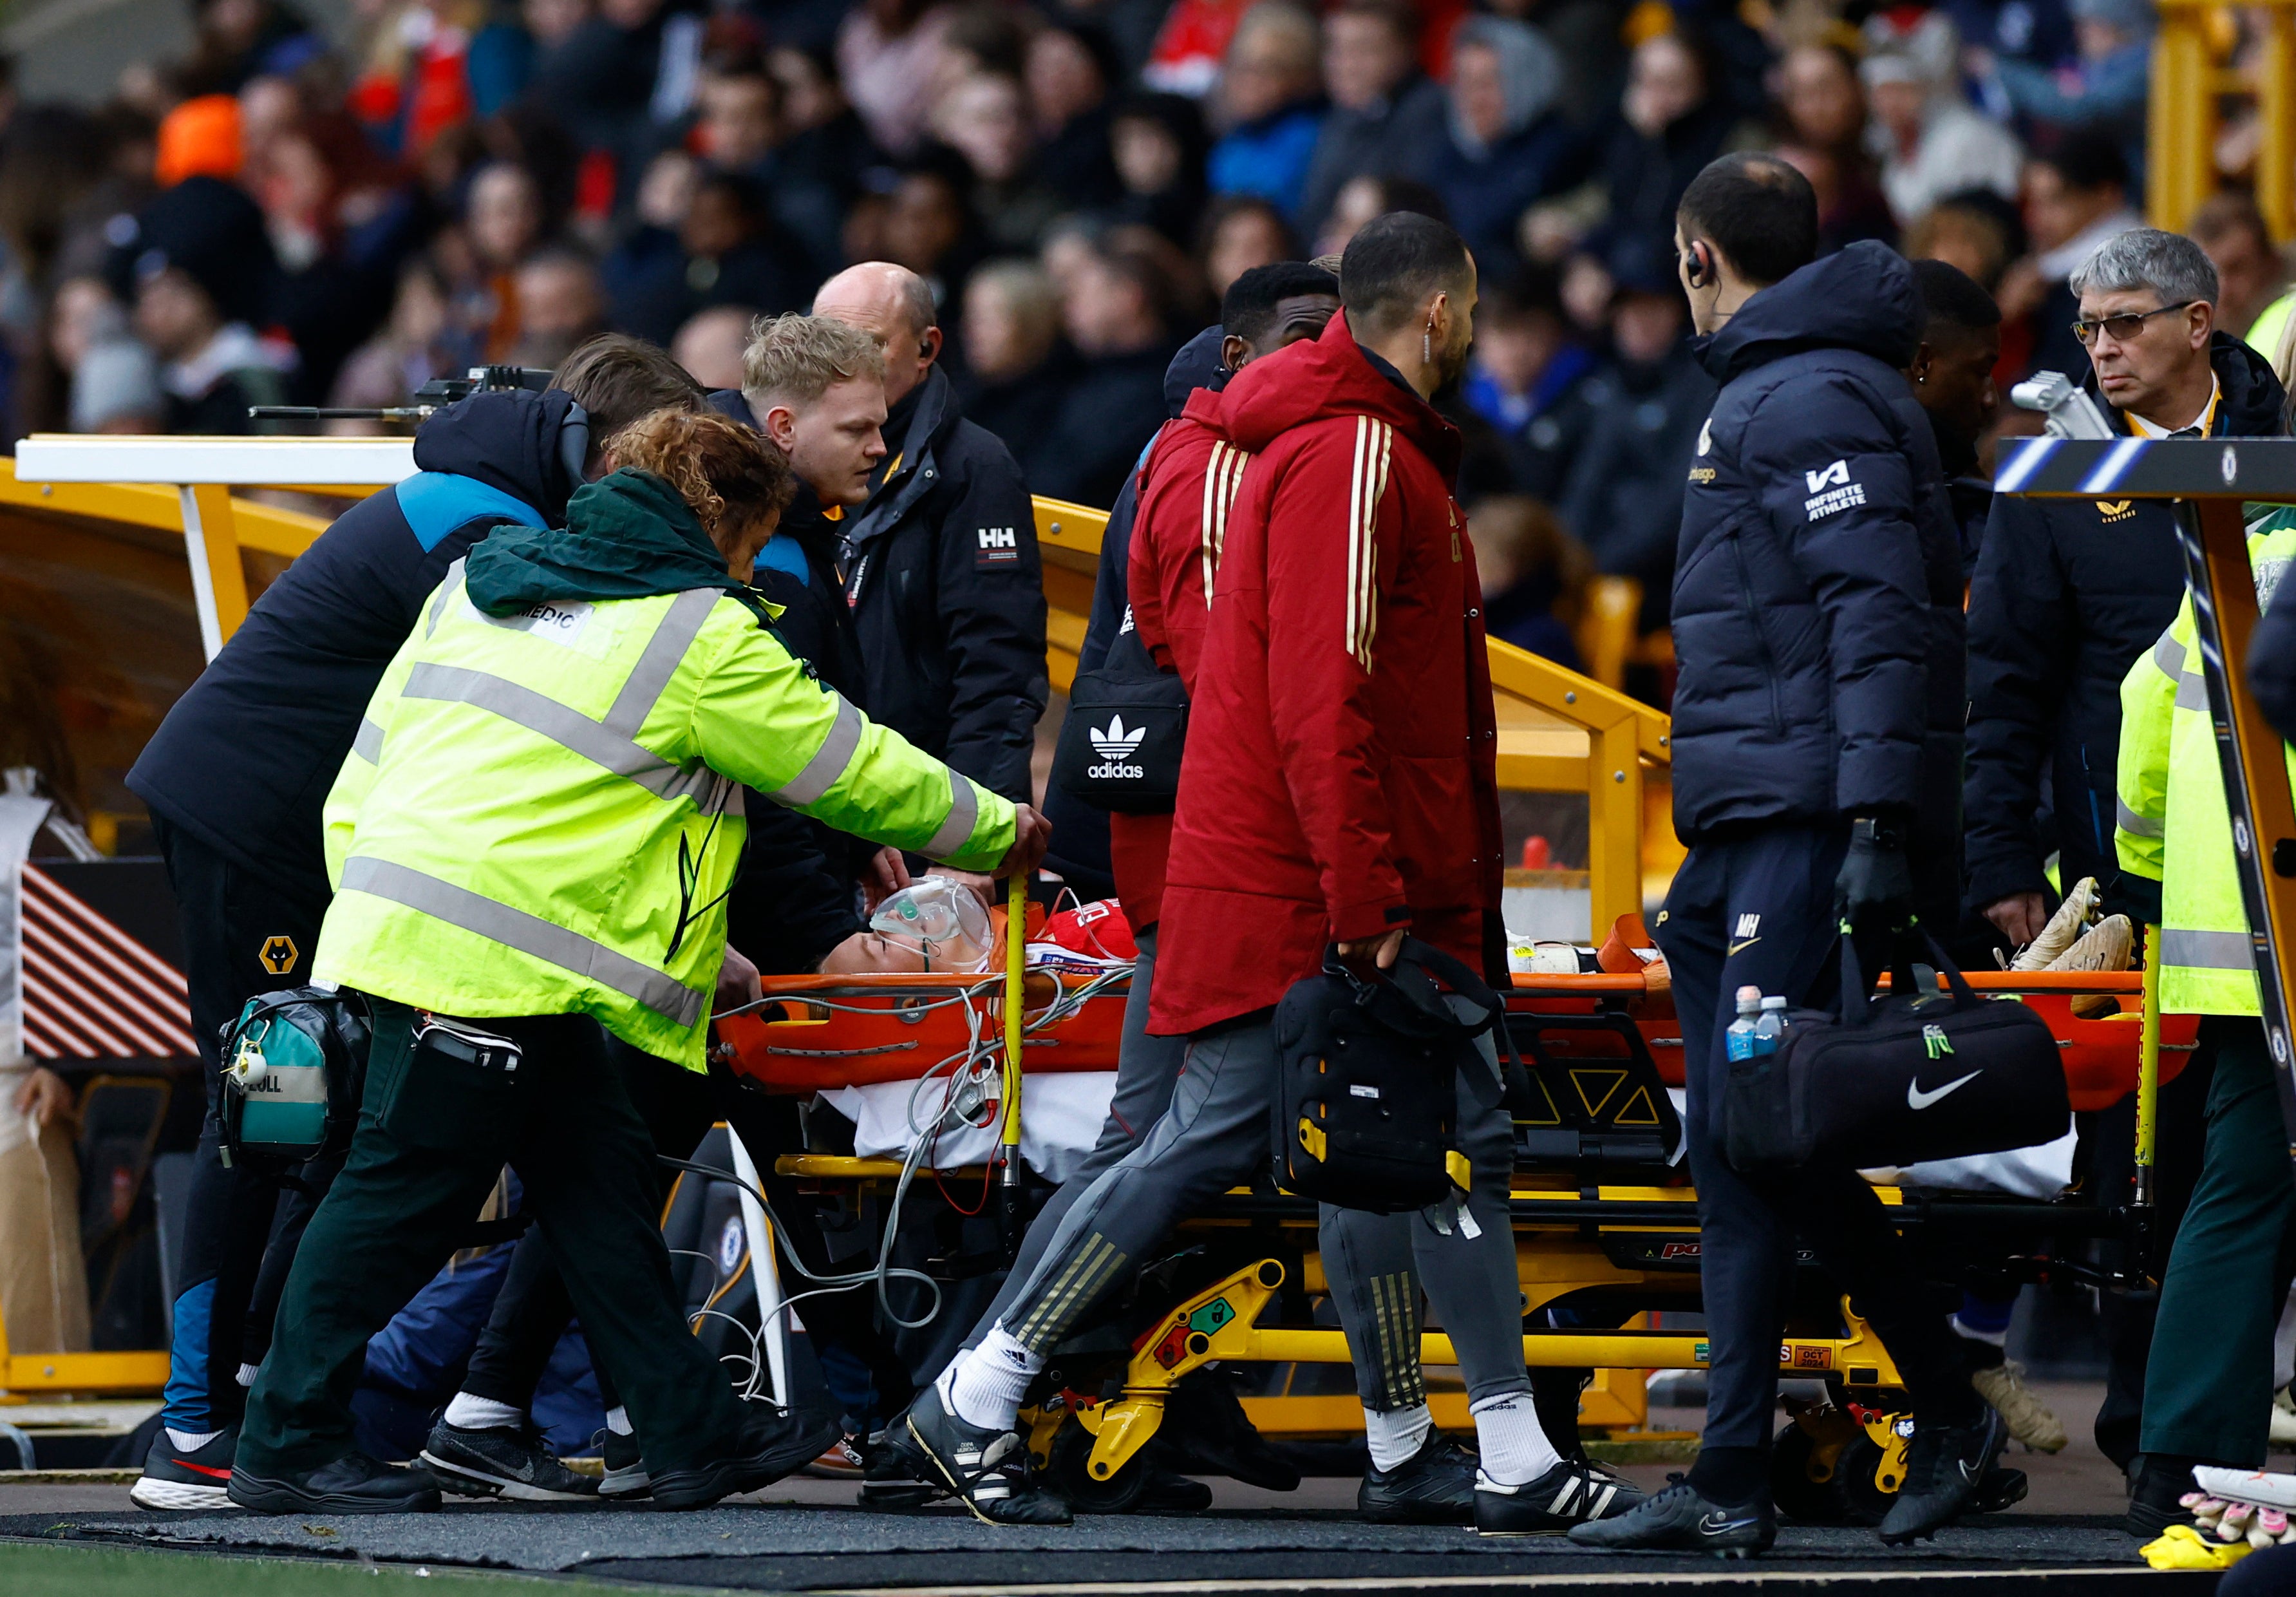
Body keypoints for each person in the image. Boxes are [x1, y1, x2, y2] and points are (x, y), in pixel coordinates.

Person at [896, 213, 1643, 1539]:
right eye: (1465, 311)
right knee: (1302, 1141)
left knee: (1377, 1148)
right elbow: (1319, 699)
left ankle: (1418, 1440)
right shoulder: (1352, 454)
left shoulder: (1320, 448)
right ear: (1436, 313)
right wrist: (1366, 900)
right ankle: (980, 1383)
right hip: (1312, 882)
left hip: (1289, 868)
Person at [230, 408, 1049, 1514]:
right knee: (394, 1198)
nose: (755, 567)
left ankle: (688, 1432)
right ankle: (285, 1447)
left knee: (598, 1191)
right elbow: (846, 767)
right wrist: (999, 829)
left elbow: (370, 766)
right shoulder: (695, 632)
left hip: (425, 936)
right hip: (500, 969)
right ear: (721, 526)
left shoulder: (477, 588)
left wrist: (383, 918)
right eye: (755, 544)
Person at [121, 335, 710, 1512]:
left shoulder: (479, 494)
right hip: (261, 824)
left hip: (285, 823)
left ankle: (244, 1407)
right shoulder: (481, 532)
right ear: (598, 452)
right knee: (272, 1105)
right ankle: (201, 1429)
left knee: (304, 1119)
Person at [871, 262, 1346, 1515]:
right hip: (1223, 855)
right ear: (1251, 354)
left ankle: (1012, 1393)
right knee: (1190, 1145)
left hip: (1169, 847)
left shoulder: (1171, 460)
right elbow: (1240, 680)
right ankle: (977, 1389)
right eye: (1308, 340)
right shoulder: (1224, 469)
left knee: (1141, 1142)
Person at [1573, 155, 1995, 1556]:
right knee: (1740, 1145)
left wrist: (1876, 826)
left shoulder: (1804, 392)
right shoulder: (1773, 388)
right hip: (1750, 823)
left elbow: (1880, 617)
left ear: (1696, 254)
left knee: (1759, 1131)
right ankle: (1760, 1465)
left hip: (1808, 820)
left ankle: (1914, 1411)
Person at [1965, 231, 2284, 949]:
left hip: (2276, 836)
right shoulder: (2051, 483)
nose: (2100, 347)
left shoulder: (2280, 453)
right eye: (2088, 326)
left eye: (2126, 322)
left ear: (2196, 322)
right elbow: (2002, 683)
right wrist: (2000, 859)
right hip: (2120, 864)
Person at [2115, 477, 2296, 1537]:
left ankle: (2177, 1458)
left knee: (2240, 1195)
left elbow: (2145, 714)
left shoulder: (2242, 544)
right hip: (2275, 924)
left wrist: (2149, 872)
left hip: (2235, 937)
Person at [811, 261, 1049, 818]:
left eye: (868, 344)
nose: (843, 364)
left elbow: (997, 671)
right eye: (826, 343)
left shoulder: (974, 469)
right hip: (809, 803)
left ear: (927, 348)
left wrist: (969, 836)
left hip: (923, 810)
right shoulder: (779, 463)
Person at [1294, 0, 1447, 236]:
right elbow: (1313, 215)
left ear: (1404, 52)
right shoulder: (1340, 114)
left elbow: (1410, 218)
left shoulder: (1430, 112)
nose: (1345, 66)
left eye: (1363, 50)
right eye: (1336, 50)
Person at [1903, 258, 2002, 580]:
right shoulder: (1881, 483)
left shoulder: (1943, 478)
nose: (1991, 399)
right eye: (1981, 372)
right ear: (1922, 364)